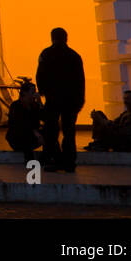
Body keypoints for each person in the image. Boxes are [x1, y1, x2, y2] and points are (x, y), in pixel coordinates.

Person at [35, 27, 85, 172]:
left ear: (52, 38)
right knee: (69, 132)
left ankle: (54, 159)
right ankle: (69, 162)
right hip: (70, 101)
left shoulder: (46, 54)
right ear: (66, 38)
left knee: (51, 131)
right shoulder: (74, 56)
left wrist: (44, 92)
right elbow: (80, 80)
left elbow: (40, 75)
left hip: (53, 99)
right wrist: (79, 101)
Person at [5, 80, 44, 163]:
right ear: (25, 93)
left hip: (33, 136)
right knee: (25, 134)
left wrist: (40, 103)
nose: (34, 94)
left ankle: (49, 157)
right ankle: (29, 159)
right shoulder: (15, 106)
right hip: (18, 138)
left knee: (52, 130)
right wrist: (35, 132)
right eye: (32, 92)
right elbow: (19, 124)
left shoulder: (35, 105)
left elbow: (45, 118)